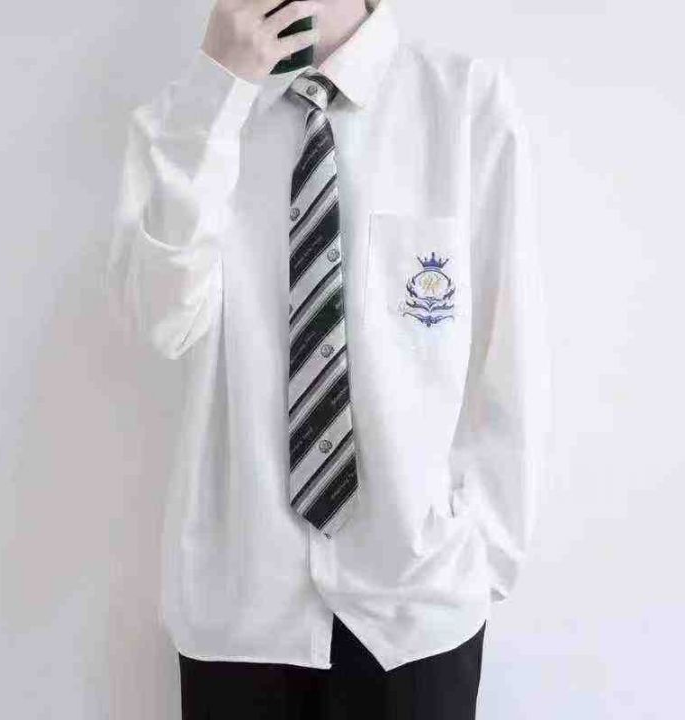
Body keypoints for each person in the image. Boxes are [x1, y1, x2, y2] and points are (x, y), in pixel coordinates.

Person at [104, 0, 551, 717]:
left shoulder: (464, 104)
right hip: (239, 612)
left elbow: (509, 352)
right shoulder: (181, 123)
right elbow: (161, 322)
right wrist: (216, 92)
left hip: (416, 613)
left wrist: (480, 561)